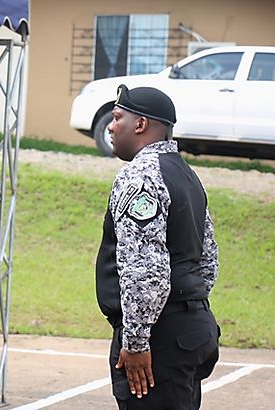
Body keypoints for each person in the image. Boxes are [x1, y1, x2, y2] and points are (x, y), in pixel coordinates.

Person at [96, 85, 220, 409]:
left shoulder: (141, 175)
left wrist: (136, 341)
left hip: (158, 337)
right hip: (193, 327)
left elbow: (144, 269)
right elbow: (208, 261)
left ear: (141, 125)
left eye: (118, 117)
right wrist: (188, 304)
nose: (110, 126)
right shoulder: (187, 175)